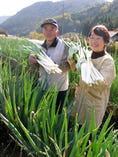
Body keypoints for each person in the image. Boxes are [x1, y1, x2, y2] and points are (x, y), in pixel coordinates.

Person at [71, 24, 116, 127]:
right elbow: (75, 70)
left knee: (89, 133)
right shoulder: (86, 55)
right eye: (91, 37)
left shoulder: (107, 61)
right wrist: (72, 60)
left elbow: (102, 84)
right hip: (81, 99)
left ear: (105, 41)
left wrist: (86, 66)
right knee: (77, 128)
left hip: (94, 104)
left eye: (98, 38)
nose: (94, 41)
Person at [28, 18, 70, 113]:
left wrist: (51, 66)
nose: (48, 32)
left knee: (58, 116)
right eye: (46, 29)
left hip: (59, 89)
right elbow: (36, 65)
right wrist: (32, 61)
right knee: (45, 115)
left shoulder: (64, 46)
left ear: (57, 32)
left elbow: (69, 66)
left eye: (52, 29)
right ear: (43, 31)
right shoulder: (39, 47)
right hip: (44, 87)